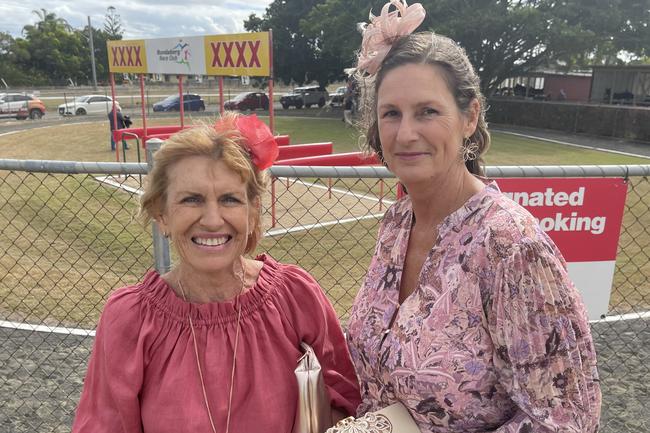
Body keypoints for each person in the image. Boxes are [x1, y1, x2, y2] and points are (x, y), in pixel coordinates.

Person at [345, 1, 602, 432]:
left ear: (470, 116)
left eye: (427, 111)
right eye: (392, 113)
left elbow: (568, 418)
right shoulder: (395, 226)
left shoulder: (511, 247)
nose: (406, 133)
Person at [72, 112, 361, 433]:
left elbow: (346, 401)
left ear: (252, 212)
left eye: (229, 200)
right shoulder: (130, 320)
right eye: (192, 199)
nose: (212, 219)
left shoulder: (296, 297)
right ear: (162, 214)